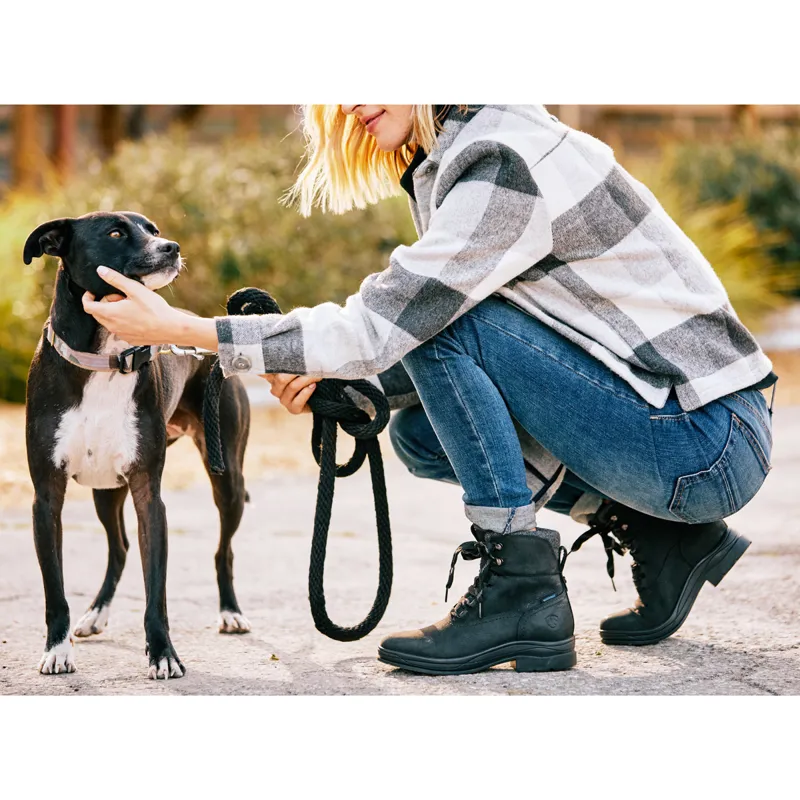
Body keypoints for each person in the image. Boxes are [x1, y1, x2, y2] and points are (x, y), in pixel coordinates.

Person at [83, 104, 777, 675]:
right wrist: (328, 374)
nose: (354, 102)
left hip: (704, 437)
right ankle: (662, 537)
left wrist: (188, 329)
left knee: (441, 322)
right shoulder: (459, 152)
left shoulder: (500, 157)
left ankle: (521, 585)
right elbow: (436, 339)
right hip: (682, 427)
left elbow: (404, 320)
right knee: (419, 433)